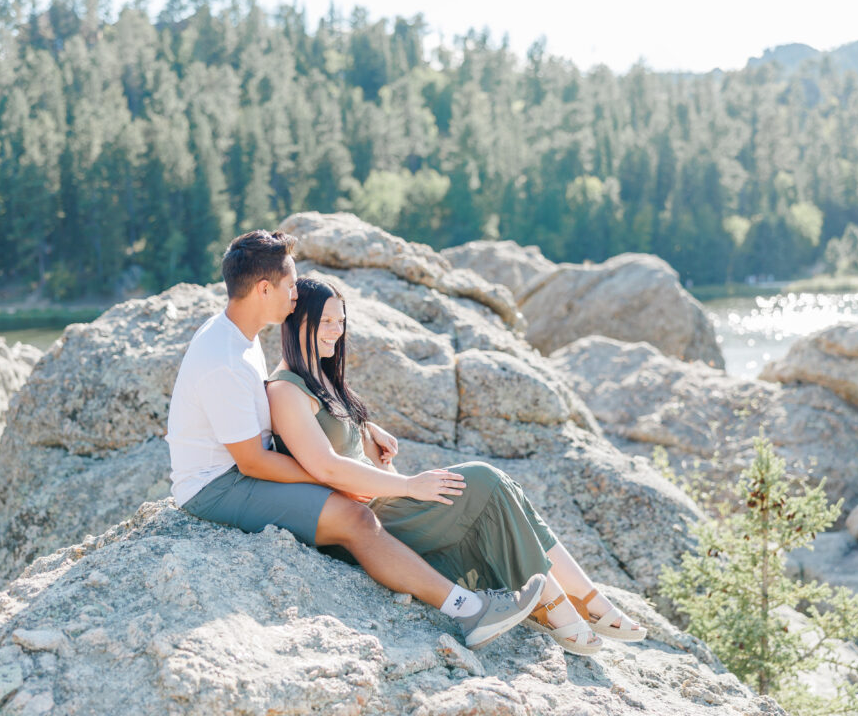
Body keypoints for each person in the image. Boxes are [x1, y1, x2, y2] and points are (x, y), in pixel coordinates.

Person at [165, 229, 546, 651]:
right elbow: (252, 463)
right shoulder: (225, 358)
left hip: (238, 471)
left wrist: (358, 430)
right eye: (290, 285)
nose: (296, 295)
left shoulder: (240, 336)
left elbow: (294, 397)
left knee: (358, 504)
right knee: (356, 518)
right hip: (216, 487)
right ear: (263, 288)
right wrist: (332, 478)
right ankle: (469, 610)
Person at [266, 277, 648, 656]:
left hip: (380, 501)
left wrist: (370, 435)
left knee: (500, 489)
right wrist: (411, 486)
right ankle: (562, 605)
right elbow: (325, 467)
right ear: (297, 321)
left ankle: (581, 598)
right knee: (484, 480)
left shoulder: (320, 378)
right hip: (363, 524)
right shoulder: (285, 390)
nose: (336, 331)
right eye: (326, 321)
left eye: (341, 320)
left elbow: (343, 442)